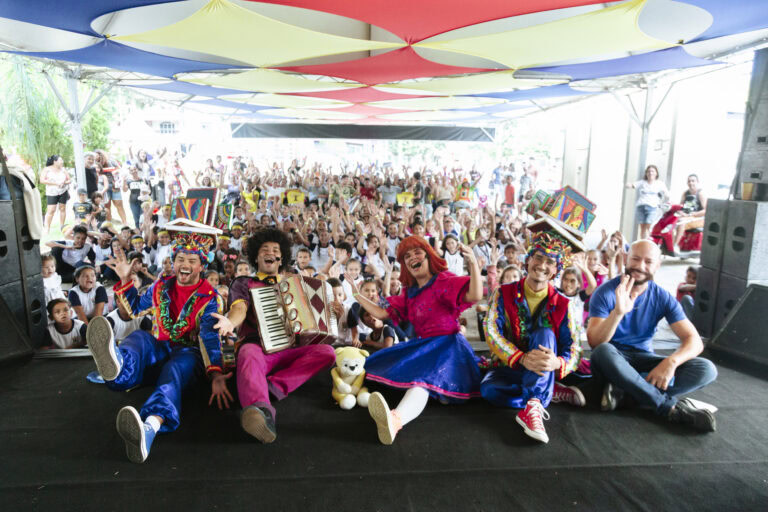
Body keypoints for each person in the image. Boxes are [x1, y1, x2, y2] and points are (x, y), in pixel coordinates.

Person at [85, 223, 230, 463]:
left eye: (192, 260)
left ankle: (149, 428)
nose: (184, 264)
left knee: (173, 371)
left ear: (202, 265)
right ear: (173, 261)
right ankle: (118, 368)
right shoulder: (161, 286)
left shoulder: (211, 298)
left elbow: (209, 338)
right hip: (160, 347)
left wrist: (215, 375)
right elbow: (133, 310)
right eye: (180, 258)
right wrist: (124, 279)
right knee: (140, 337)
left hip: (189, 355)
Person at [346, 235, 483, 445]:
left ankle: (395, 420)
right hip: (423, 346)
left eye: (417, 252)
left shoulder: (444, 280)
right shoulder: (410, 293)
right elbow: (382, 314)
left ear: (429, 256)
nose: (412, 258)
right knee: (374, 362)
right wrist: (356, 295)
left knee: (422, 382)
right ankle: (352, 390)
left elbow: (474, 295)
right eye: (406, 256)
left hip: (449, 349)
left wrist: (473, 263)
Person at [213, 228, 336, 444]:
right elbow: (239, 309)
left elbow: (315, 319)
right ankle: (262, 412)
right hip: (258, 347)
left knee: (327, 352)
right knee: (248, 354)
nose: (270, 253)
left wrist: (334, 312)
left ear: (281, 258)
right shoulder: (243, 283)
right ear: (256, 256)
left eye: (275, 250)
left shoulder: (295, 283)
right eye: (264, 249)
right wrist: (230, 321)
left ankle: (273, 387)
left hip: (292, 347)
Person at [587, 240, 718, 432]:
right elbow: (595, 343)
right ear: (625, 259)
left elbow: (694, 341)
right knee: (603, 352)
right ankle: (667, 407)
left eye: (648, 262)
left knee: (705, 368)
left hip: (645, 360)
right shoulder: (605, 292)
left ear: (657, 266)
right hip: (613, 362)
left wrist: (671, 363)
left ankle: (626, 394)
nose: (640, 266)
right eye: (636, 259)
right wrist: (618, 313)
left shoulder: (662, 297)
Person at [482, 230, 583, 444]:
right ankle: (548, 391)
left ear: (556, 270)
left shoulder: (565, 304)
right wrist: (521, 358)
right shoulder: (502, 292)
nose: (542, 265)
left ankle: (534, 404)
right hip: (512, 366)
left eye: (550, 262)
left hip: (544, 365)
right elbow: (491, 331)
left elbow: (574, 350)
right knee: (488, 391)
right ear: (528, 261)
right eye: (538, 257)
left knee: (545, 334)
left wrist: (557, 362)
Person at [626, 164, 669, 240]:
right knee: (642, 227)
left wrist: (668, 200)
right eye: (648, 171)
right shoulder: (642, 182)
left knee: (649, 225)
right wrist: (628, 184)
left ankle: (648, 242)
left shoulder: (659, 183)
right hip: (641, 206)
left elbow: (666, 193)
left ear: (656, 173)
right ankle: (642, 242)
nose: (650, 173)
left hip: (652, 207)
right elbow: (633, 185)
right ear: (646, 173)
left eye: (652, 171)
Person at [674, 174, 707, 251]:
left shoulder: (701, 194)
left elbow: (706, 210)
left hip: (698, 218)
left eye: (693, 181)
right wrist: (680, 212)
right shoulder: (685, 193)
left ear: (697, 182)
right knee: (672, 220)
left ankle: (675, 245)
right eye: (689, 181)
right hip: (686, 217)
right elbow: (680, 206)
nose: (691, 183)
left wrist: (692, 214)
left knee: (681, 222)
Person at [40, 155, 71, 233]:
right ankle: (47, 228)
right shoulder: (47, 169)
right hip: (51, 192)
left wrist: (63, 183)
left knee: (62, 208)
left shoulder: (63, 169)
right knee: (51, 210)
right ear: (55, 161)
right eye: (60, 160)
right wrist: (55, 183)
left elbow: (69, 180)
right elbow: (42, 180)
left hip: (63, 191)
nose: (62, 162)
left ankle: (62, 227)